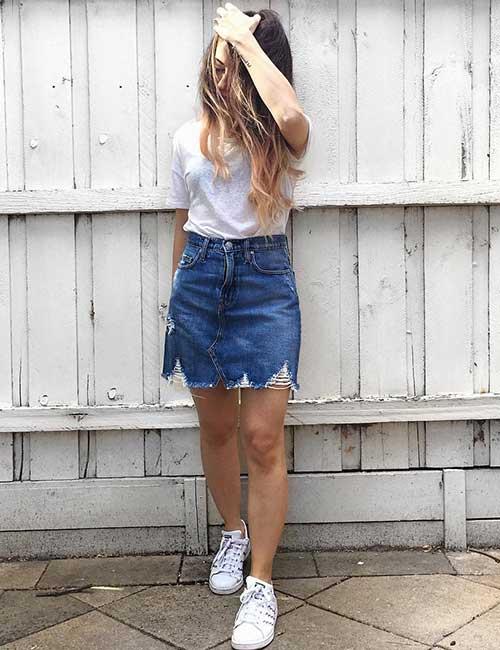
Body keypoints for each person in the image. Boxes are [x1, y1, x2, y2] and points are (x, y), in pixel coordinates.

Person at [162, 4, 313, 649]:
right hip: (199, 280)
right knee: (217, 426)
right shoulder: (185, 137)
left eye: (235, 55)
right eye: (219, 52)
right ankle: (233, 534)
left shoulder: (279, 136)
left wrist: (245, 41)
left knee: (262, 437)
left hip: (263, 285)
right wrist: (176, 297)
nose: (221, 62)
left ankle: (261, 584)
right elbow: (182, 219)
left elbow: (288, 117)